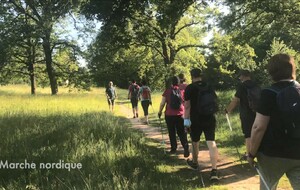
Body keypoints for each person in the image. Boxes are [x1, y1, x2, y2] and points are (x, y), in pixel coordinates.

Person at [247, 54, 300, 190]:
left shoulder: (268, 93)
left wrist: (251, 153)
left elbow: (259, 127)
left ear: (271, 71)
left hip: (272, 153)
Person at [183, 68, 219, 181]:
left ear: (191, 76)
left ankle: (195, 163)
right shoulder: (209, 85)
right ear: (201, 75)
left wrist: (186, 121)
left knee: (195, 142)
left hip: (196, 119)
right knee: (211, 142)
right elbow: (215, 100)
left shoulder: (189, 88)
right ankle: (214, 170)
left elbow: (187, 107)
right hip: (210, 117)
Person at [225, 70, 258, 159]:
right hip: (258, 113)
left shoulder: (242, 86)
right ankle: (257, 152)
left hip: (246, 114)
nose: (239, 78)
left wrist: (228, 110)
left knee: (248, 134)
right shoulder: (256, 85)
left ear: (243, 76)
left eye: (240, 76)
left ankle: (249, 154)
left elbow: (235, 100)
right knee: (257, 132)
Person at [158, 76, 189, 157]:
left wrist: (160, 112)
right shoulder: (182, 91)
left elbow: (162, 103)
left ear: (171, 83)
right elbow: (186, 103)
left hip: (169, 115)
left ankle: (173, 149)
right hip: (180, 115)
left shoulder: (167, 91)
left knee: (172, 132)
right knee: (182, 132)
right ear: (179, 83)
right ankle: (186, 147)